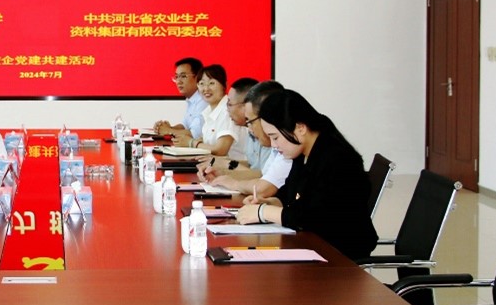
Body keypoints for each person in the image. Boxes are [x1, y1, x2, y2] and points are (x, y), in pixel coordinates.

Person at [235, 89, 377, 259]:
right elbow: (290, 194)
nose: (273, 145)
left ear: (300, 128)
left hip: (340, 256)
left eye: (275, 137)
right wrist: (268, 202)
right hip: (313, 246)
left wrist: (263, 212)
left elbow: (312, 216)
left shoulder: (337, 158)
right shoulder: (303, 153)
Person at [191, 64, 244, 161]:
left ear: (224, 85)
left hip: (236, 168)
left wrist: (191, 143)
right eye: (201, 83)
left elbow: (220, 150)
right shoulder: (209, 111)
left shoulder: (228, 110)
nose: (206, 89)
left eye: (211, 83)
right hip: (216, 166)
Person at [154, 57, 205, 144]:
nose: (178, 81)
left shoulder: (203, 100)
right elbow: (185, 125)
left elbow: (194, 134)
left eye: (183, 76)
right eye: (176, 77)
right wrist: (167, 128)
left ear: (197, 78)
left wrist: (168, 131)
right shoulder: (191, 99)